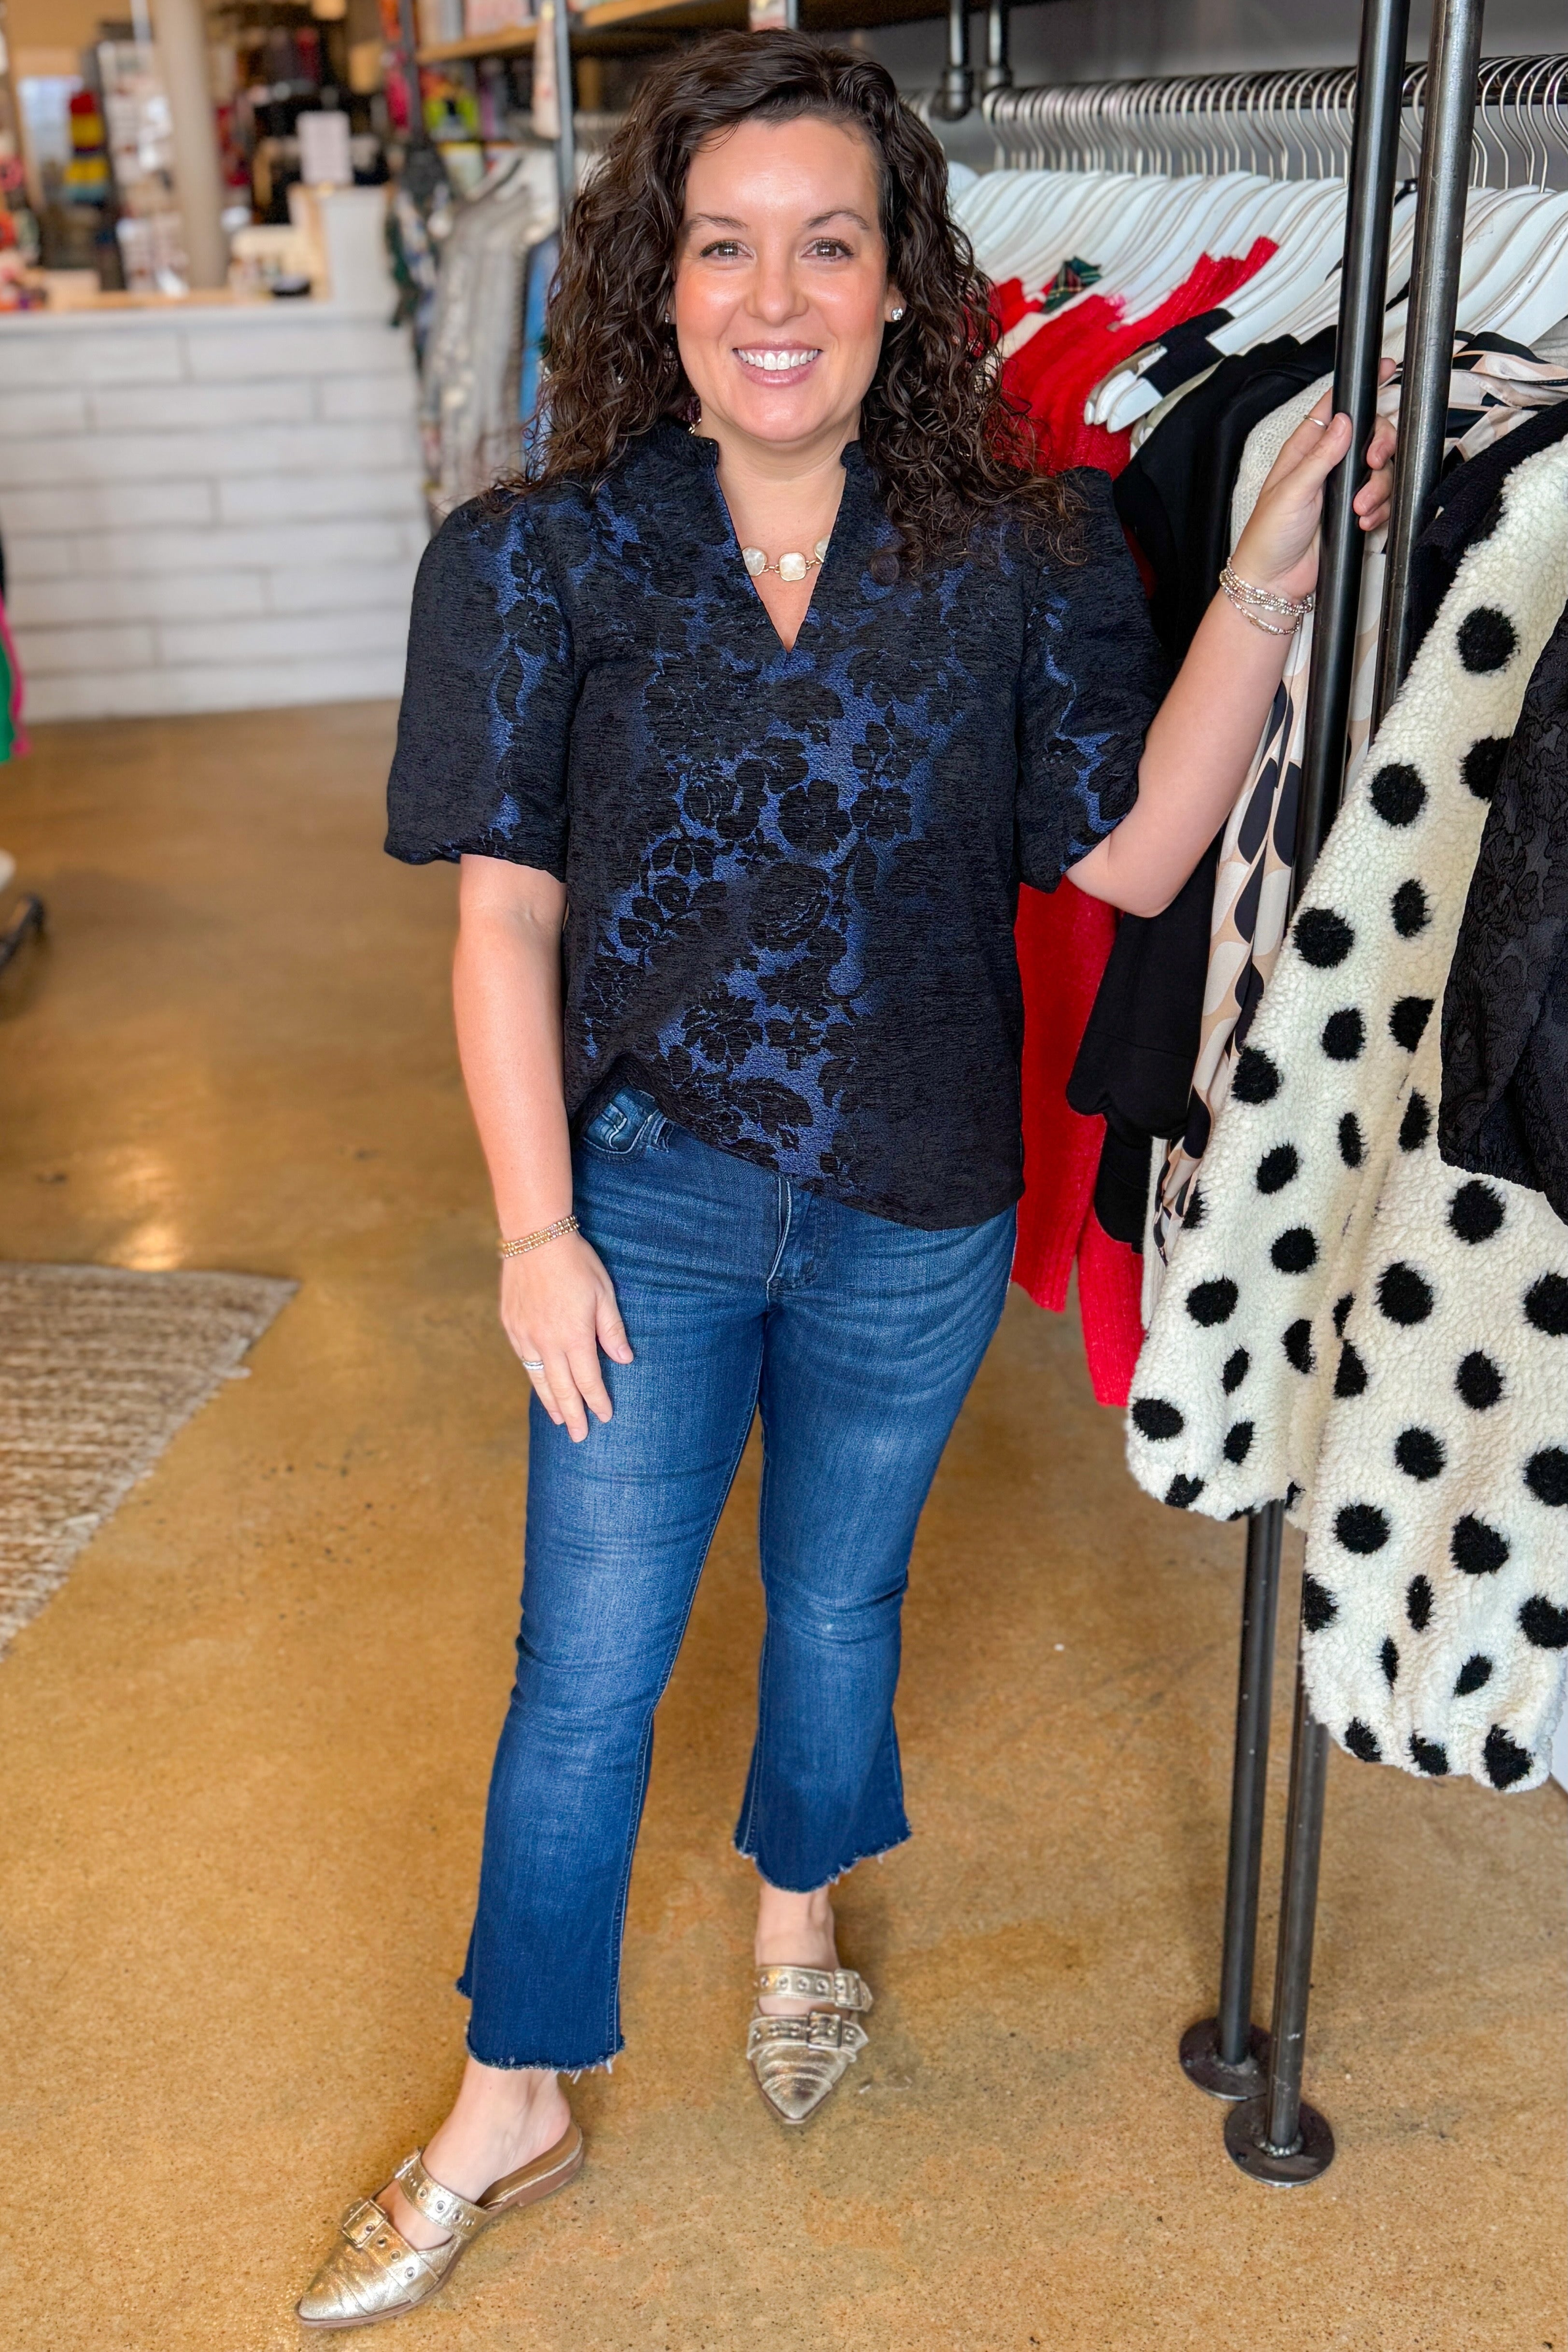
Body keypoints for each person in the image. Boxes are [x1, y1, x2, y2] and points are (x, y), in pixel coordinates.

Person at [297, 30, 1394, 2330]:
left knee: (832, 1606)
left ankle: (800, 1902)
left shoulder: (1029, 549)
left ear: (901, 286)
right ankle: (516, 2090)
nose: (771, 294)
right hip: (646, 1200)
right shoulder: (535, 557)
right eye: (721, 247)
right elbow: (500, 917)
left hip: (916, 1190)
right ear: (658, 281)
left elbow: (1124, 845)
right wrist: (528, 1228)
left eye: (826, 243)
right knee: (583, 1666)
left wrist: (1263, 578)